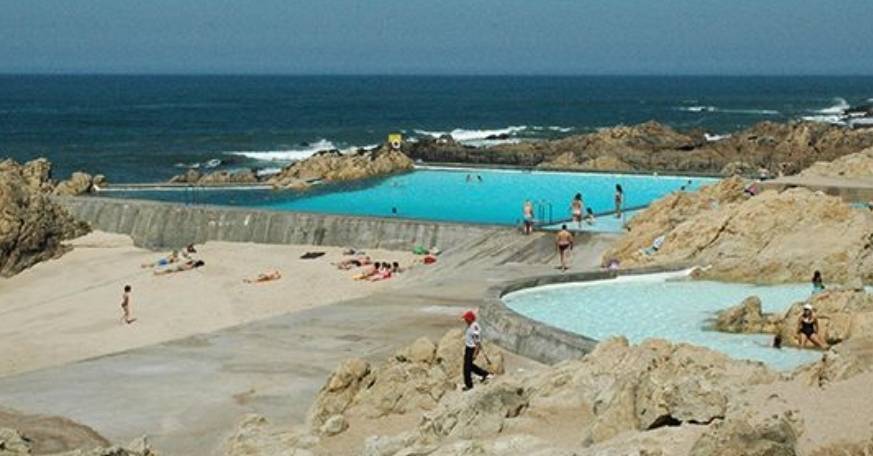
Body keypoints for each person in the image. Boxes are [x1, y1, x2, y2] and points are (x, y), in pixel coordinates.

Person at [461, 310, 491, 391]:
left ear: (470, 319)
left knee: (466, 368)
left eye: (466, 319)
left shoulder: (474, 328)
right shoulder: (471, 325)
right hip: (468, 348)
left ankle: (469, 385)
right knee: (469, 365)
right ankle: (484, 373)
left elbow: (477, 342)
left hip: (471, 349)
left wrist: (475, 353)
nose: (465, 320)